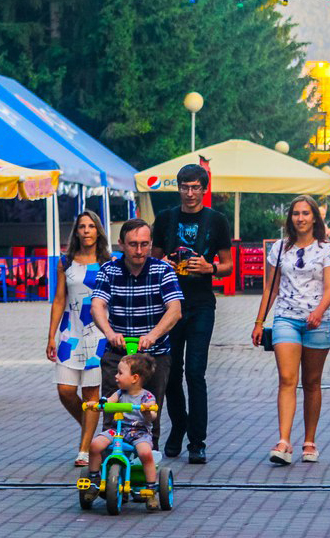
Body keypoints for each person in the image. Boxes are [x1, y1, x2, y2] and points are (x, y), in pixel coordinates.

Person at [151, 164, 233, 464]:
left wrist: (209, 268)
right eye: (185, 187)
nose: (189, 193)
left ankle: (197, 441)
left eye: (195, 187)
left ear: (203, 188)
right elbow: (151, 259)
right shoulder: (165, 219)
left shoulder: (217, 221)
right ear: (179, 188)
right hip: (169, 306)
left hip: (201, 305)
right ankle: (178, 425)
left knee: (195, 373)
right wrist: (165, 267)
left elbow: (227, 265)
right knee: (170, 374)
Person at [251, 195, 330, 465]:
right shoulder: (279, 248)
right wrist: (259, 321)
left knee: (312, 383)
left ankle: (309, 441)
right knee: (287, 379)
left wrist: (318, 312)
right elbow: (271, 287)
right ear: (291, 218)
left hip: (318, 322)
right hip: (285, 319)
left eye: (305, 213)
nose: (300, 218)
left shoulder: (327, 249)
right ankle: (284, 441)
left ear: (315, 217)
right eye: (296, 213)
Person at [91, 219, 183, 451]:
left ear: (151, 244)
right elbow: (97, 306)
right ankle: (109, 463)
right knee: (113, 412)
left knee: (150, 413)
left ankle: (148, 462)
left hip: (154, 355)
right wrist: (110, 333)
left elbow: (175, 310)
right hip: (118, 354)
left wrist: (153, 335)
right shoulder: (108, 271)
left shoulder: (163, 271)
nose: (139, 251)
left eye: (144, 244)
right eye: (133, 244)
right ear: (121, 244)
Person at [46, 210, 110, 466]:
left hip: (97, 334)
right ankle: (90, 428)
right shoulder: (66, 261)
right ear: (76, 232)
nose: (86, 231)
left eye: (91, 226)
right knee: (65, 390)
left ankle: (85, 449)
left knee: (92, 393)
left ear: (98, 231)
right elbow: (59, 299)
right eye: (81, 226)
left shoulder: (108, 262)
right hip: (69, 333)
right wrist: (51, 336)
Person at [83, 353, 161, 510]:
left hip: (139, 432)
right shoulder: (119, 394)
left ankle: (151, 489)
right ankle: (94, 480)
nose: (116, 376)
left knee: (145, 453)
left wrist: (147, 410)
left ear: (134, 378)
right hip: (118, 430)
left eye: (120, 373)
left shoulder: (147, 396)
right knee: (95, 445)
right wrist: (98, 405)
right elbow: (107, 402)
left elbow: (152, 415)